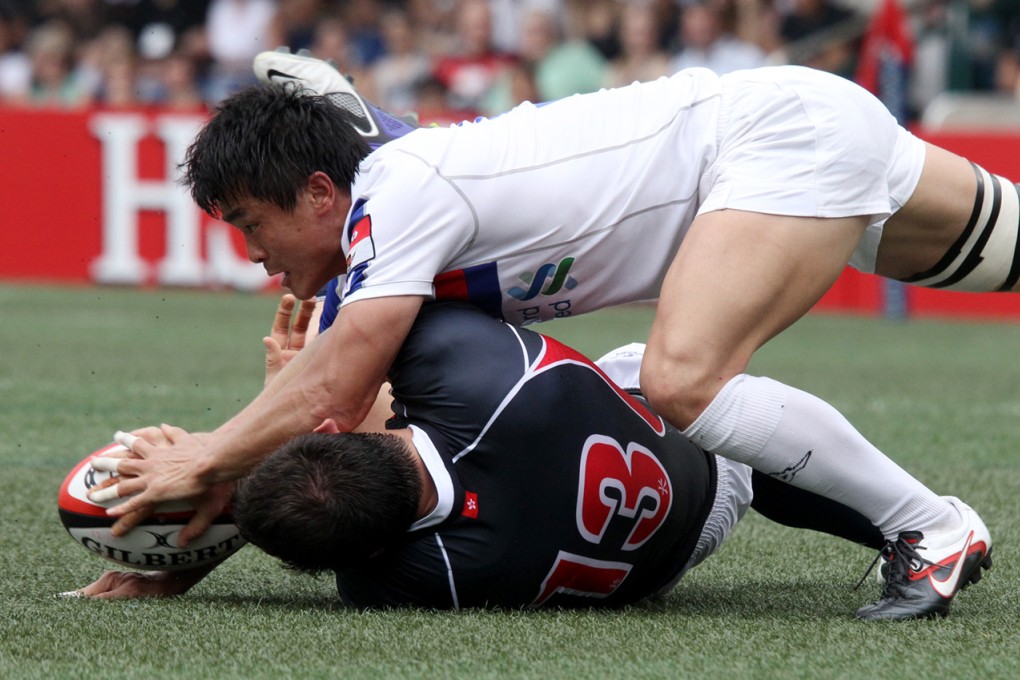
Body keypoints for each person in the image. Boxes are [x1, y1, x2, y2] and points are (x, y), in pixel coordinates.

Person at [95, 51, 1004, 620]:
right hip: (785, 128)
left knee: (680, 378)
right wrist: (189, 543)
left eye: (254, 224)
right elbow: (335, 455)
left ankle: (929, 529)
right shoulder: (384, 242)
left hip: (770, 134)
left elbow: (332, 396)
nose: (254, 256)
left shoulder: (394, 196)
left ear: (323, 193)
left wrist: (206, 453)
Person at [80, 300, 964, 612]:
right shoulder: (471, 374)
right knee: (688, 391)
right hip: (692, 455)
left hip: (669, 554)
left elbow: (344, 517)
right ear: (358, 431)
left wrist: (188, 551)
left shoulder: (410, 584)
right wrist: (299, 390)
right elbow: (382, 391)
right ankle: (917, 522)